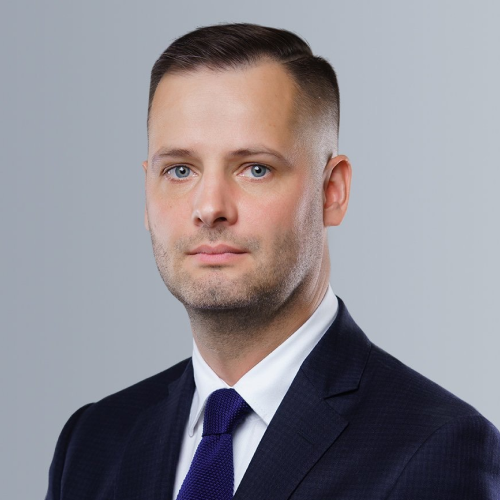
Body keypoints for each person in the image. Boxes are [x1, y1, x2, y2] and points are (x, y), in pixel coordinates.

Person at [45, 22, 500, 500]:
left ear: (332, 191)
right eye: (179, 170)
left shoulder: (438, 449)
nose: (209, 207)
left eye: (255, 169)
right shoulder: (94, 442)